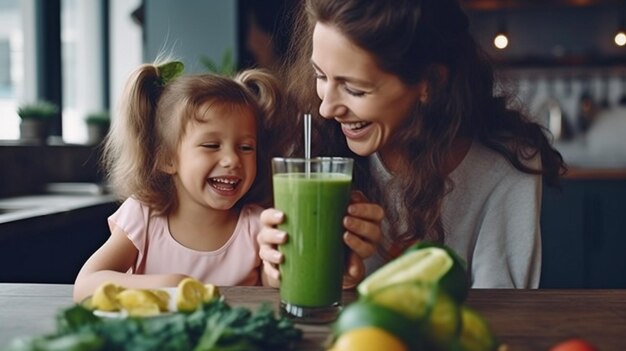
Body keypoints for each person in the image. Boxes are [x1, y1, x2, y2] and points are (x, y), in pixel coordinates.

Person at [258, 0, 567, 289]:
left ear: (429, 82)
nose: (326, 108)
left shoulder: (506, 165)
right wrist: (278, 270)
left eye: (355, 89)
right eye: (320, 75)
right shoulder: (311, 144)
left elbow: (504, 316)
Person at [73, 60, 284, 302]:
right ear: (166, 159)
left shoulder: (257, 225)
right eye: (211, 145)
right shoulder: (143, 217)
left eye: (246, 147)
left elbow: (274, 291)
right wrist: (170, 285)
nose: (232, 159)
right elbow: (85, 286)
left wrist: (277, 273)